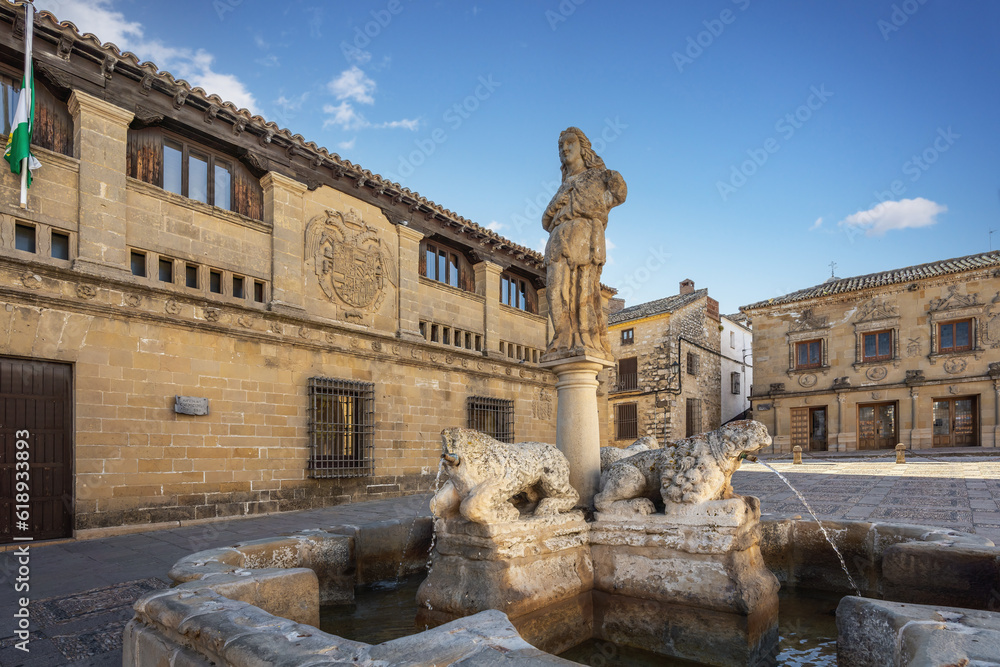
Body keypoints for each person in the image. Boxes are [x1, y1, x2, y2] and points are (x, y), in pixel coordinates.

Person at [542, 127, 626, 359]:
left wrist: (612, 178)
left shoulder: (597, 177)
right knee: (555, 291)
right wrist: (556, 203)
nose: (564, 148)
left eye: (570, 143)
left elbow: (619, 194)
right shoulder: (563, 186)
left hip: (584, 238)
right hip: (558, 241)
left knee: (583, 290)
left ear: (583, 148)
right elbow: (545, 221)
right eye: (561, 146)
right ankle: (562, 336)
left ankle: (583, 336)